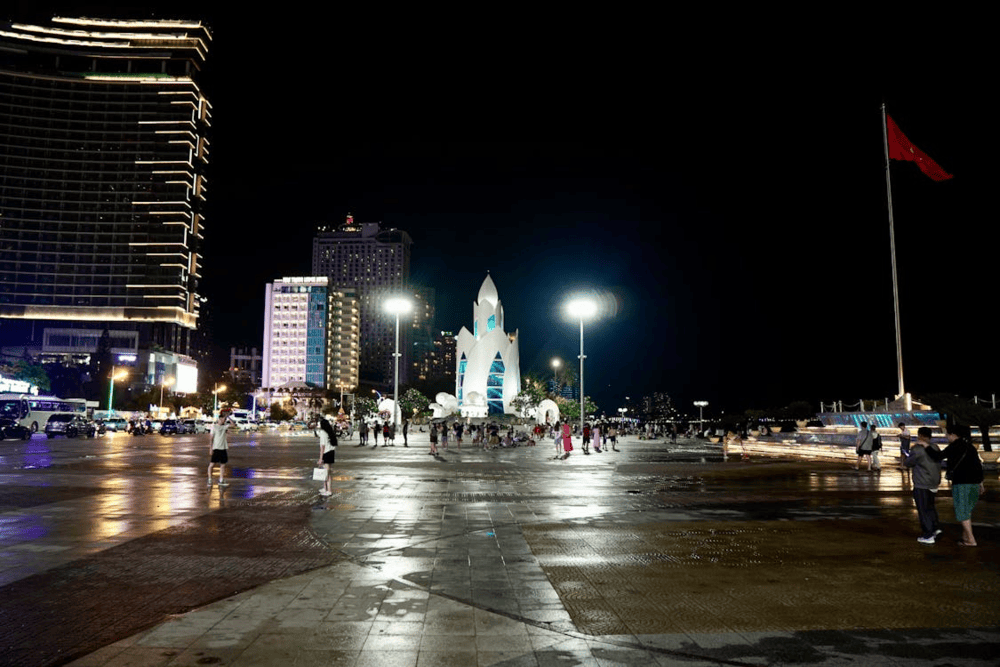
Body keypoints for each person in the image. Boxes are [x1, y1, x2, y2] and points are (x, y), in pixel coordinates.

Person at [926, 424, 985, 547]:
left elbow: (938, 457)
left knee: (962, 512)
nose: (947, 436)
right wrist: (981, 483)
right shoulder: (970, 447)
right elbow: (978, 465)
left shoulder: (954, 446)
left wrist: (926, 446)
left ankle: (971, 540)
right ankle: (965, 537)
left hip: (961, 483)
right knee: (967, 511)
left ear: (953, 435)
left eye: (948, 434)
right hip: (974, 483)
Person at [902, 427, 942, 544]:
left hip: (922, 483)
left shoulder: (917, 449)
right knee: (930, 506)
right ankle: (936, 528)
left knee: (923, 509)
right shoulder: (935, 447)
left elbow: (908, 462)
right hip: (934, 482)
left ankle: (928, 534)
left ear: (920, 436)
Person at [207, 414, 231, 487]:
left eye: (225, 420)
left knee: (223, 465)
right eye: (224, 419)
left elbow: (233, 425)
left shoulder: (224, 427)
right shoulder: (214, 427)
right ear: (220, 419)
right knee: (212, 465)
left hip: (223, 448)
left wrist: (228, 417)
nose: (224, 421)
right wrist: (210, 448)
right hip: (216, 448)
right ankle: (210, 479)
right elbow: (211, 438)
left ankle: (221, 480)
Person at [316, 415, 337, 497]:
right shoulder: (329, 432)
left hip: (326, 453)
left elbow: (322, 446)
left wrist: (320, 458)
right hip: (331, 452)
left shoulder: (323, 433)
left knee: (327, 474)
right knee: (327, 472)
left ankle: (329, 490)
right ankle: (325, 488)